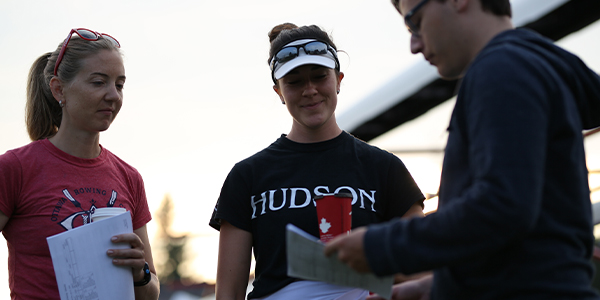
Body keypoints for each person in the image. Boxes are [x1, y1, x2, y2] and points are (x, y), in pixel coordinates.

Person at [324, 0, 600, 299]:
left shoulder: (501, 71)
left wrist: (379, 247)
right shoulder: (526, 69)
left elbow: (503, 207)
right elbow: (535, 238)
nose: (414, 45)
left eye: (414, 23)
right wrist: (435, 287)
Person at [209, 23, 426, 300]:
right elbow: (228, 294)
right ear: (278, 91)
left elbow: (421, 269)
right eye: (295, 81)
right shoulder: (248, 175)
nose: (309, 90)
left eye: (319, 76)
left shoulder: (384, 168)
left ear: (339, 80)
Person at [0, 28, 160, 299]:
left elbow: (151, 292)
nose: (113, 95)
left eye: (119, 85)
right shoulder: (15, 168)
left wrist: (140, 272)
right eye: (99, 82)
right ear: (58, 88)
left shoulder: (129, 177)